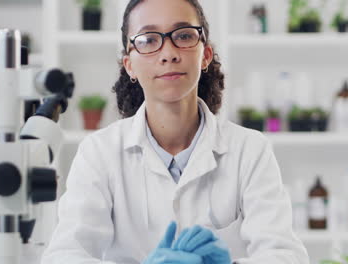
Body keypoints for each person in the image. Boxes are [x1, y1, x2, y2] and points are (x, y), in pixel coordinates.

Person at [41, 0, 309, 263]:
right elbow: (64, 256)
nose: (168, 53)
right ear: (129, 65)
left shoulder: (249, 150)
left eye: (183, 35)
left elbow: (286, 255)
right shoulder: (99, 152)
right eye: (148, 39)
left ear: (205, 55)